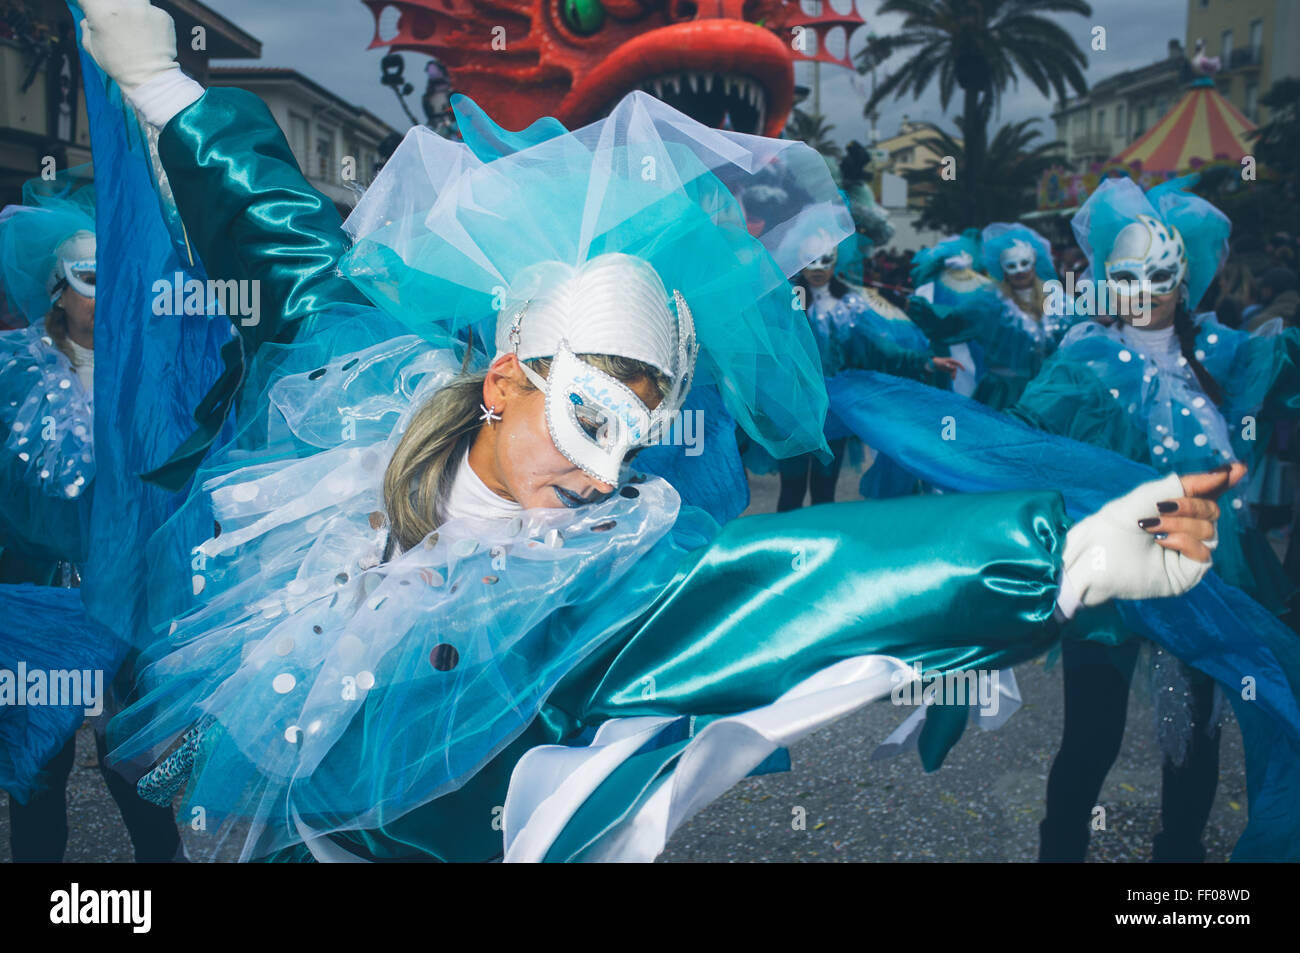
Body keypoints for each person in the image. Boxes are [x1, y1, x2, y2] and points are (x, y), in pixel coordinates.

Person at [80, 0, 1245, 864]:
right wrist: (158, 85)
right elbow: (276, 229)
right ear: (501, 378)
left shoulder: (592, 568)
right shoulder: (358, 389)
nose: (604, 473)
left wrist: (1064, 556)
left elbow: (795, 585)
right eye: (587, 417)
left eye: (634, 440)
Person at [1006, 174, 1300, 862]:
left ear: (1185, 276)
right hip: (1110, 570)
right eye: (1128, 275)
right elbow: (1026, 447)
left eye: (1161, 274)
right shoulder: (1084, 356)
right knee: (1091, 736)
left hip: (1201, 568)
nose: (1144, 290)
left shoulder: (1225, 354)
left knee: (1195, 739)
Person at [0, 176, 183, 862]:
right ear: (58, 285)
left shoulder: (151, 375)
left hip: (122, 586)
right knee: (37, 762)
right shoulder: (12, 371)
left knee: (134, 756)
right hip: (36, 586)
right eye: (88, 278)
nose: (104, 294)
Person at [775, 237, 959, 510]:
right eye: (811, 260)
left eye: (825, 260)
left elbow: (880, 346)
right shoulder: (782, 300)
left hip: (833, 410)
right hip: (793, 408)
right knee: (792, 488)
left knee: (824, 490)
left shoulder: (849, 303)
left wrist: (927, 362)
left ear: (836, 262)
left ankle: (821, 548)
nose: (818, 268)